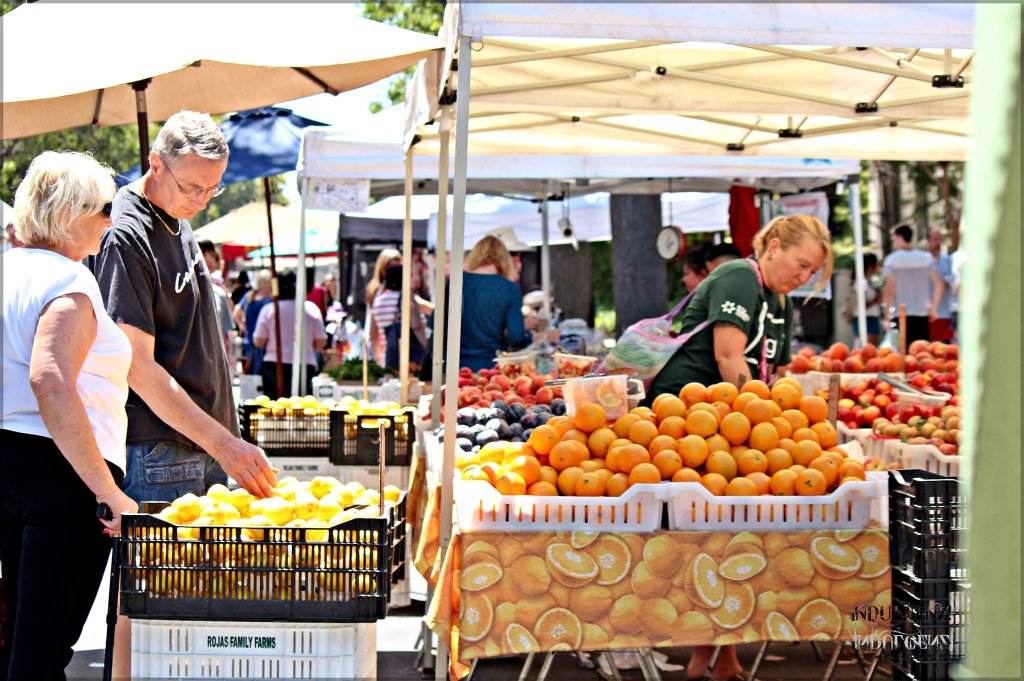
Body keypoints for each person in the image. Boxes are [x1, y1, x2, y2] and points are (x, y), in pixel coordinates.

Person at [646, 215, 832, 681]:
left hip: (732, 426)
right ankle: (697, 653)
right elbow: (730, 357)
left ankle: (722, 653)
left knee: (733, 538)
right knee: (700, 539)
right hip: (688, 420)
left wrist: (787, 423)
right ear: (772, 246)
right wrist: (765, 424)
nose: (803, 275)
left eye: (812, 271)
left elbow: (775, 373)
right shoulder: (737, 277)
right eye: (801, 263)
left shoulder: (780, 299)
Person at [89, 110, 276, 503]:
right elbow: (136, 364)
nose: (201, 201)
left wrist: (224, 440)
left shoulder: (175, 212)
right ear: (155, 164)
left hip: (200, 443)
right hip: (161, 450)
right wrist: (223, 443)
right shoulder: (126, 233)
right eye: (191, 187)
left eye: (212, 189)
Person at [1, 151, 138, 678]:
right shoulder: (69, 281)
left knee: (18, 640)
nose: (112, 219)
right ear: (70, 212)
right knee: (40, 650)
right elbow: (51, 381)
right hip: (62, 472)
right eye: (105, 208)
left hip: (13, 459)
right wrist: (110, 492)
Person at [460, 235, 540, 370]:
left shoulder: (456, 283)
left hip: (453, 365)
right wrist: (533, 337)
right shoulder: (510, 289)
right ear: (504, 258)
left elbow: (435, 323)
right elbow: (516, 337)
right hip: (490, 366)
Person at [253, 271, 328, 398]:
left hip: (274, 366)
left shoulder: (269, 309)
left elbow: (259, 340)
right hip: (304, 364)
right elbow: (321, 341)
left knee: (274, 410)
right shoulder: (311, 309)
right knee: (302, 408)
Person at [881, 224, 943, 345]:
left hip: (901, 314)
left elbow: (890, 292)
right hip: (923, 313)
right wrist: (934, 308)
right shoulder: (926, 257)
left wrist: (887, 316)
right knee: (922, 354)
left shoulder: (892, 260)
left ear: (899, 237)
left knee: (903, 355)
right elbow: (939, 284)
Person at [375, 261, 429, 372]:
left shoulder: (378, 301)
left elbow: (375, 333)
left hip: (390, 360)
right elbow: (418, 326)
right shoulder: (407, 299)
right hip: (411, 363)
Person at [198, 239, 236, 362]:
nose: (209, 259)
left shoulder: (218, 289)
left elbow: (226, 321)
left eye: (212, 255)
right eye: (204, 254)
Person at [366, 248, 402, 364]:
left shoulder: (402, 290)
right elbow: (374, 331)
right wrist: (379, 360)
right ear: (382, 269)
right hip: (386, 348)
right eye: (391, 266)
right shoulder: (376, 291)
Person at [234, 269, 273, 375]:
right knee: (262, 374)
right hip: (265, 342)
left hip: (250, 340)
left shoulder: (249, 296)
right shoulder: (270, 300)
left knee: (251, 373)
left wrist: (244, 327)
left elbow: (236, 314)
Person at [926, 229, 955, 342]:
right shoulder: (923, 261)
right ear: (928, 240)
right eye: (935, 239)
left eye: (940, 239)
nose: (938, 243)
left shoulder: (948, 260)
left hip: (944, 313)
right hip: (927, 314)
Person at [848, 253, 883, 345]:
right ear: (871, 266)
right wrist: (876, 300)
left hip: (872, 318)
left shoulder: (871, 282)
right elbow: (861, 305)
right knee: (867, 348)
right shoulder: (861, 283)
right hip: (865, 319)